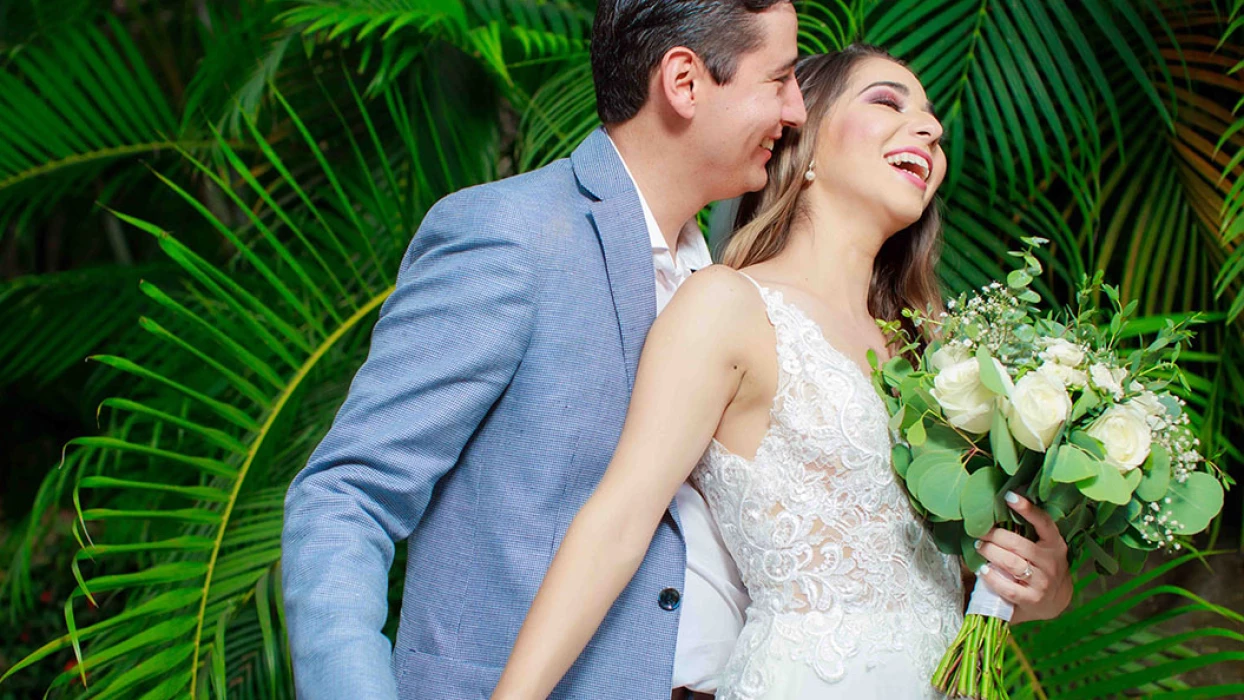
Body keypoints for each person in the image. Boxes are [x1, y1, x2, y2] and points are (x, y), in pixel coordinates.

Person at [491, 45, 1073, 700]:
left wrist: (1043, 587)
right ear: (808, 142)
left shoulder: (940, 355)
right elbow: (620, 520)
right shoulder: (727, 306)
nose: (931, 129)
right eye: (887, 101)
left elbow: (946, 571)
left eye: (933, 119)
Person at [280, 1, 808, 698]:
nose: (797, 110)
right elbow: (346, 497)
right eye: (779, 80)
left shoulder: (734, 291)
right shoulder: (510, 236)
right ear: (683, 82)